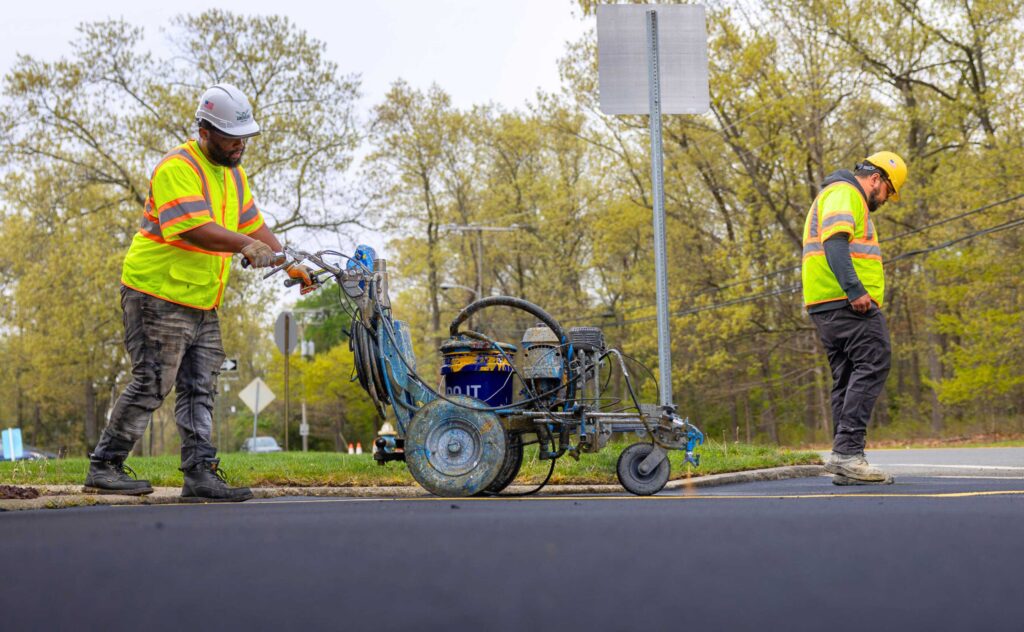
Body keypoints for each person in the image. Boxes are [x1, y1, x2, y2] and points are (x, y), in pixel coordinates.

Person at [83, 84, 315, 501]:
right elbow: (192, 227)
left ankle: (200, 474)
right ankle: (105, 465)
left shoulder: (233, 175)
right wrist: (244, 246)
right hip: (156, 293)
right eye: (232, 137)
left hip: (201, 300)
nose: (240, 145)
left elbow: (252, 225)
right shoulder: (178, 167)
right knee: (154, 381)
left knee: (201, 386)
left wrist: (288, 260)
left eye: (244, 136)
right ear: (205, 131)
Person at [801, 151, 907, 485]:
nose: (886, 200)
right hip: (847, 303)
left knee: (847, 377)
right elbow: (834, 242)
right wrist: (855, 290)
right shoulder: (846, 194)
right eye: (889, 192)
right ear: (877, 179)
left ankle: (843, 459)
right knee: (875, 361)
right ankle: (848, 453)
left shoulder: (835, 194)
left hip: (827, 304)